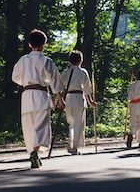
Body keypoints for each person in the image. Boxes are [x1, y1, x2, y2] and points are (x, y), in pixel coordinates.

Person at [11, 29, 63, 168]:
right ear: (43, 45)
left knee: (28, 126)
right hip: (41, 95)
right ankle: (35, 151)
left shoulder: (23, 60)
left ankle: (33, 152)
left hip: (27, 95)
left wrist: (25, 81)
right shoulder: (47, 61)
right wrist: (60, 98)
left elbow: (15, 77)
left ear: (29, 44)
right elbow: (55, 81)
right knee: (41, 126)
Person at [60, 50, 95, 155]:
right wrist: (91, 101)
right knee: (77, 124)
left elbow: (60, 87)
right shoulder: (83, 72)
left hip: (68, 99)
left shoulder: (65, 72)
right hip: (79, 98)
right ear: (81, 60)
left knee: (71, 123)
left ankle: (71, 144)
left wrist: (58, 100)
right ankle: (74, 147)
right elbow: (87, 89)